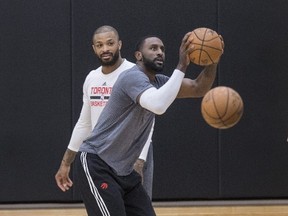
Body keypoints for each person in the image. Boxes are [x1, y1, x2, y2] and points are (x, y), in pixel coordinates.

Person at [74, 32, 224, 216]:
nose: (159, 52)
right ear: (138, 55)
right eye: (153, 48)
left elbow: (198, 87)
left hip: (125, 172)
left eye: (162, 49)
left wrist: (213, 58)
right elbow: (158, 105)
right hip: (98, 164)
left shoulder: (158, 82)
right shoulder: (132, 77)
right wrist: (182, 64)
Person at [55, 25, 154, 199]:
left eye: (110, 43)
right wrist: (66, 162)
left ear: (120, 44)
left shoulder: (135, 74)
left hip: (133, 155)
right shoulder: (92, 78)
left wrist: (140, 161)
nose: (105, 49)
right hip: (102, 157)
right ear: (94, 49)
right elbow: (84, 123)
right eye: (100, 45)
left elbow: (148, 121)